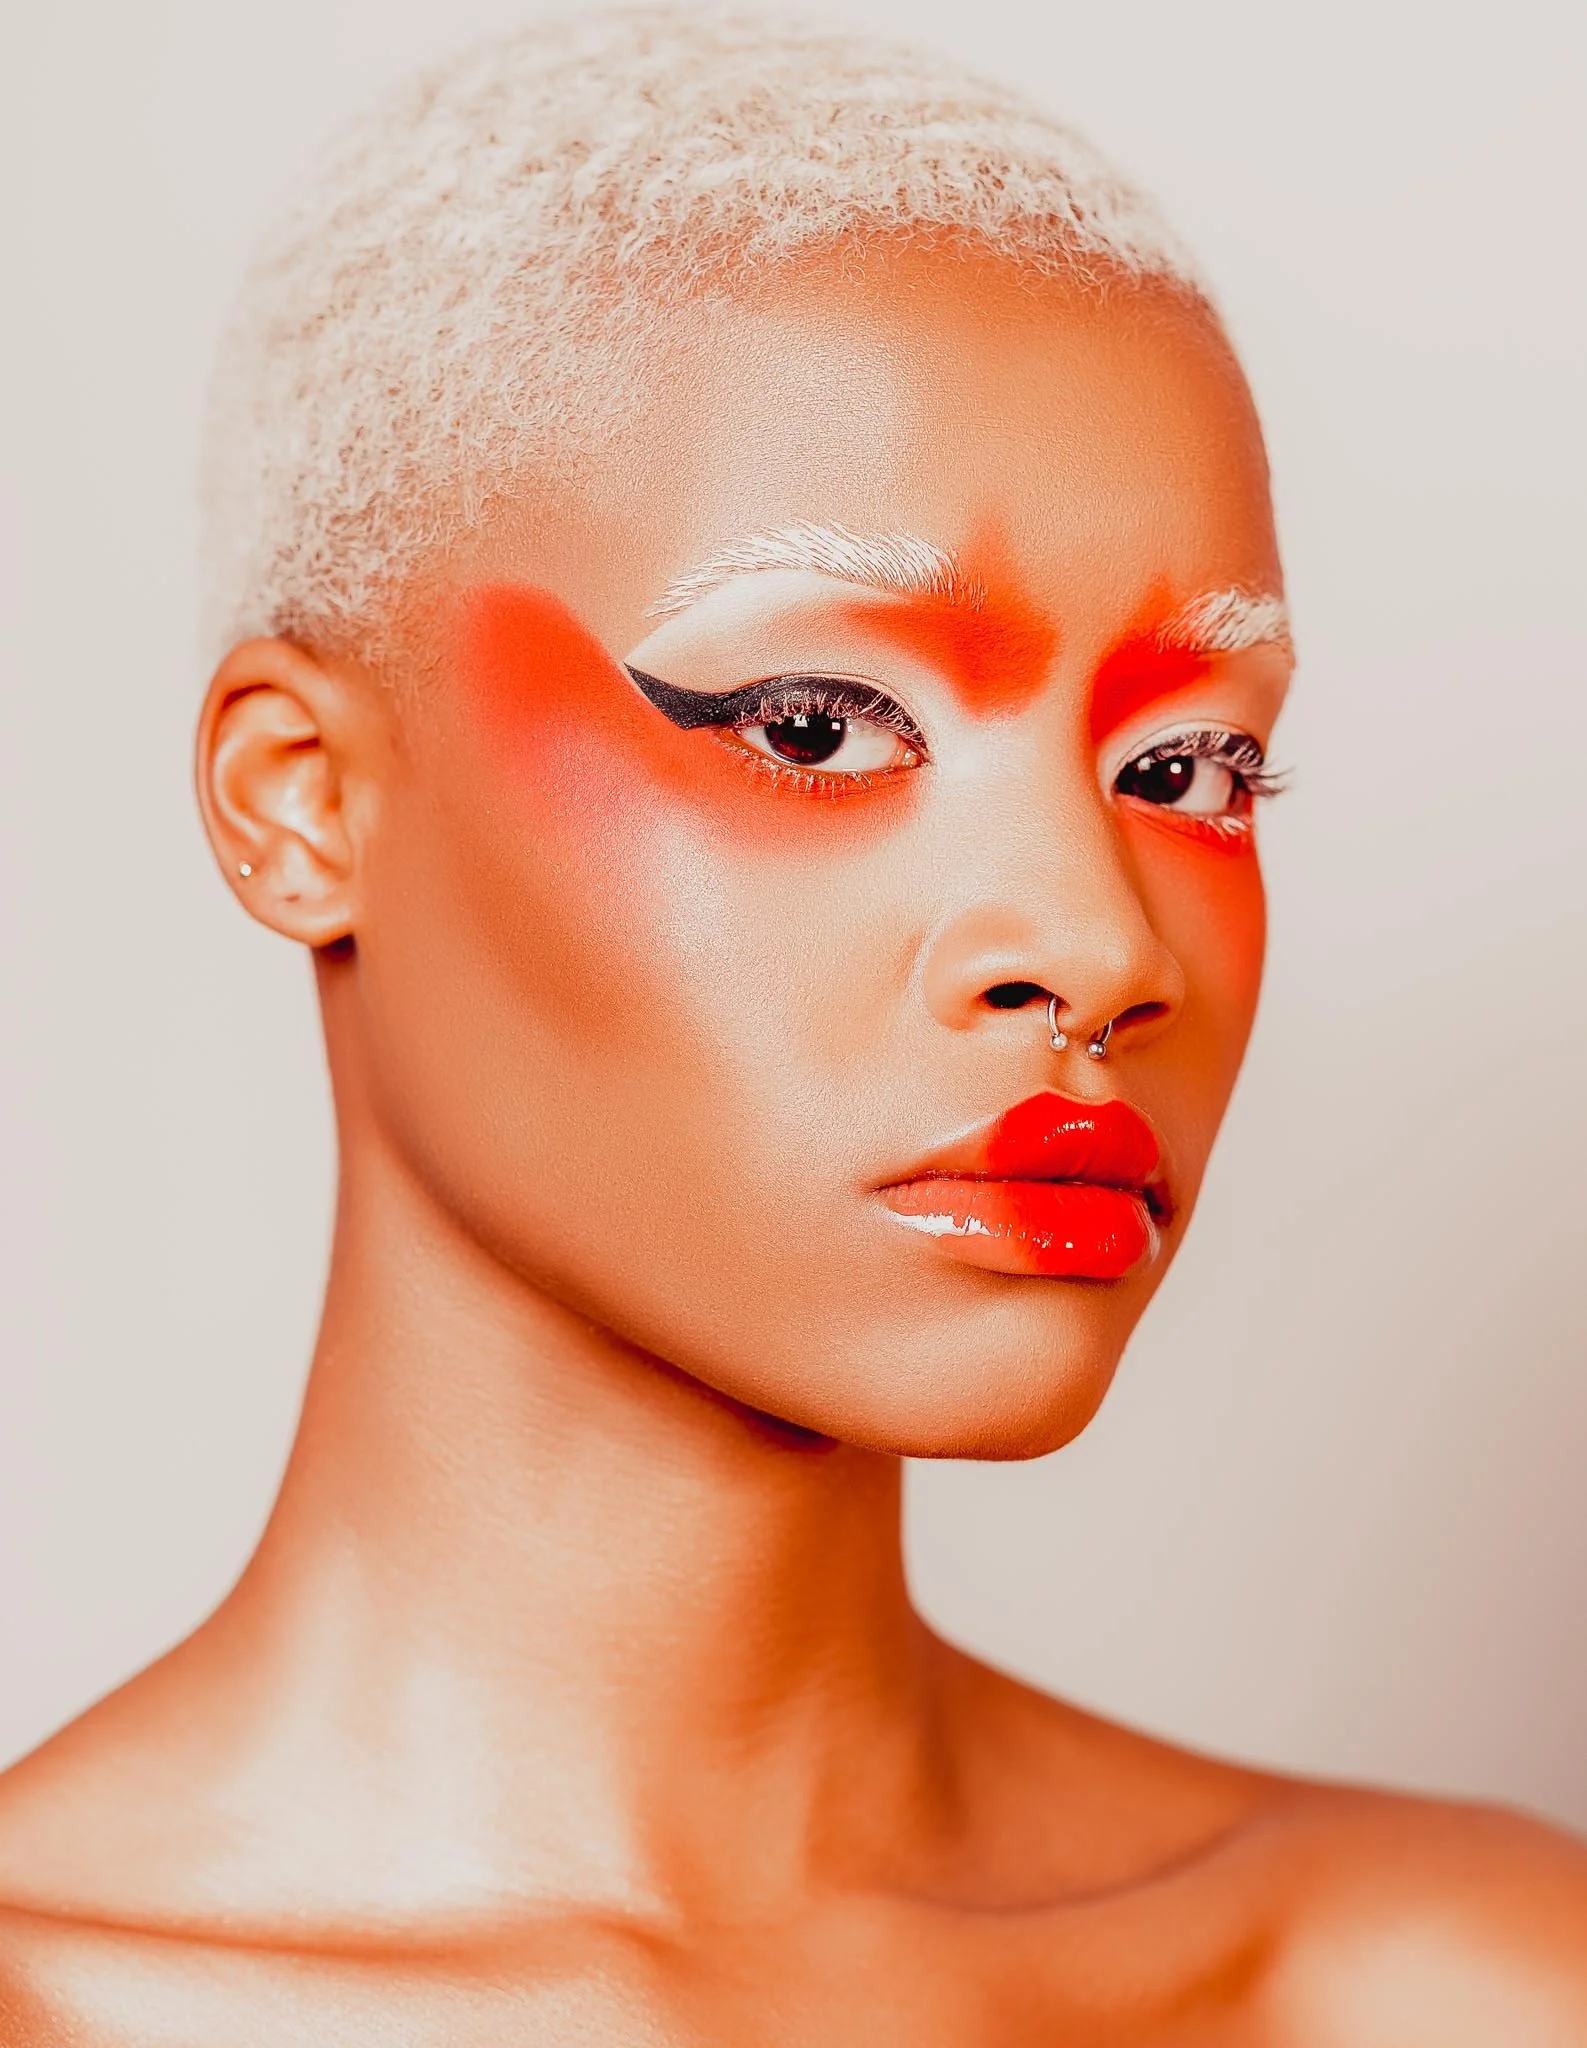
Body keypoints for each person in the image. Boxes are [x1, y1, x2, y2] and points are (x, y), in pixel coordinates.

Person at [1, 8, 1583, 2040]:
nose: (1096, 948)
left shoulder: (1459, 1984)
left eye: (1188, 769)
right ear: (305, 800)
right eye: (817, 726)